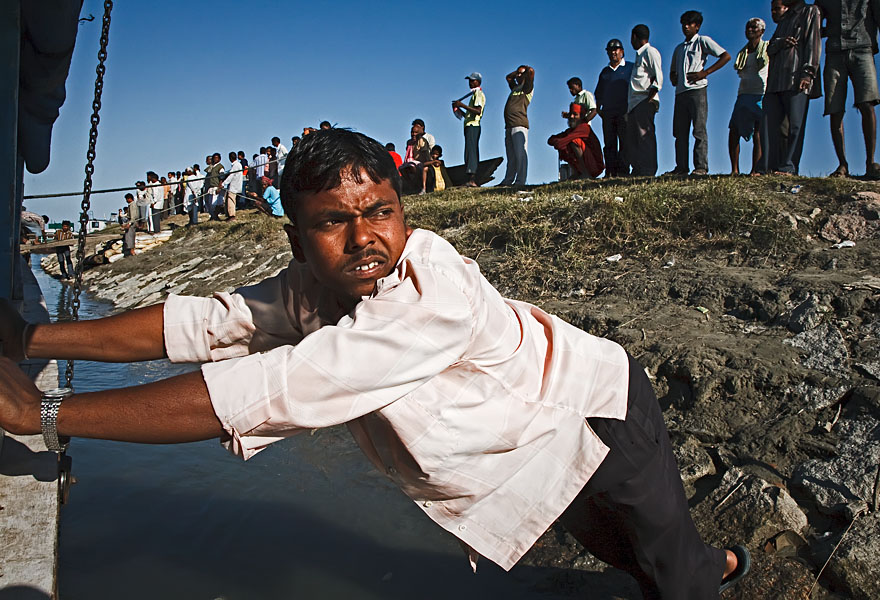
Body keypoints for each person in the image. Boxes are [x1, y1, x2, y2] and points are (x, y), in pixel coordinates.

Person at [0, 129, 749, 599]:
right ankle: (699, 558)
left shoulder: (430, 295)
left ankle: (704, 567)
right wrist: (30, 341)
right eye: (333, 221)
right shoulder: (305, 287)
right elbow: (204, 323)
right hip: (523, 446)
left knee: (671, 582)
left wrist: (43, 415)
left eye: (381, 212)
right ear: (298, 241)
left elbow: (274, 387)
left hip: (595, 416)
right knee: (625, 555)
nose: (364, 238)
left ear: (403, 211)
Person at [816, 0, 880, 179]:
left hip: (862, 49)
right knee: (834, 109)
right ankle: (842, 164)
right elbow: (816, 20)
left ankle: (870, 162)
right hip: (835, 52)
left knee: (867, 103)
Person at [665, 11, 731, 176]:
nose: (686, 27)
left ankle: (701, 167)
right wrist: (674, 77)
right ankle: (681, 167)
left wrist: (705, 72)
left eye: (690, 24)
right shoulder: (679, 48)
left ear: (697, 26)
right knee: (679, 132)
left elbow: (725, 56)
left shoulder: (702, 41)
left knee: (699, 130)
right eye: (684, 24)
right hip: (681, 93)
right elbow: (673, 70)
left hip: (697, 91)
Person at [762, 0, 822, 175]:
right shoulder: (785, 18)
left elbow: (813, 43)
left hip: (796, 78)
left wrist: (808, 73)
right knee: (770, 126)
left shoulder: (810, 12)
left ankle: (789, 167)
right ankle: (769, 166)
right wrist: (780, 43)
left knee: (795, 126)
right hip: (775, 81)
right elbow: (770, 48)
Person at [728, 18, 769, 175]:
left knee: (758, 131)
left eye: (753, 27)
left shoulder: (766, 48)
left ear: (761, 31)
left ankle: (755, 169)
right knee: (734, 130)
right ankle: (735, 169)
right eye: (747, 28)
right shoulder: (743, 53)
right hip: (743, 93)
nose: (749, 30)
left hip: (760, 93)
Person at [627, 24, 665, 177]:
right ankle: (638, 169)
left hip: (643, 99)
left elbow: (658, 77)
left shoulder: (650, 52)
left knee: (645, 136)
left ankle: (648, 170)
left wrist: (649, 98)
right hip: (635, 103)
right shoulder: (639, 55)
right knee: (634, 138)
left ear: (634, 37)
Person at [595, 40, 634, 177]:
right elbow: (598, 92)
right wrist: (599, 108)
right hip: (608, 112)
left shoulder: (630, 68)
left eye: (616, 50)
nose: (613, 53)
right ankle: (611, 171)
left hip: (624, 111)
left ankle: (623, 171)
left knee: (625, 141)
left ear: (622, 51)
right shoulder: (605, 72)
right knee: (609, 142)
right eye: (610, 50)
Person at [548, 86, 605, 180]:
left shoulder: (584, 128)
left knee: (573, 141)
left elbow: (559, 142)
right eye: (570, 114)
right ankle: (577, 173)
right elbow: (550, 140)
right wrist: (557, 142)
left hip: (595, 166)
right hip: (588, 162)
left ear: (581, 116)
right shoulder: (571, 130)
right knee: (565, 143)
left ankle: (586, 174)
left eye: (575, 114)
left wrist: (558, 142)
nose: (571, 116)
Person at [498, 65, 534, 188]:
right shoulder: (515, 88)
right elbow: (508, 77)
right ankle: (508, 180)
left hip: (519, 124)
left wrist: (526, 72)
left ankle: (520, 181)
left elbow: (531, 73)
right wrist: (518, 72)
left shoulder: (527, 88)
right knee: (511, 156)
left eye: (520, 74)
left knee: (520, 155)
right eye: (517, 74)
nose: (518, 76)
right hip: (509, 125)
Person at [451, 72, 486, 187]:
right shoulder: (473, 94)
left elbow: (477, 111)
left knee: (471, 152)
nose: (470, 83)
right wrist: (459, 109)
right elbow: (469, 115)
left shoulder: (479, 94)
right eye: (469, 81)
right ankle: (470, 178)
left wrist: (462, 105)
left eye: (473, 81)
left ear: (478, 82)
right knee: (468, 151)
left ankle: (473, 179)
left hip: (473, 126)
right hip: (469, 125)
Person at [223, 151, 243, 221]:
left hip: (234, 186)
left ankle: (232, 216)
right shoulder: (237, 165)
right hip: (234, 186)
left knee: (230, 201)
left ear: (230, 158)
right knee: (228, 200)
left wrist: (223, 183)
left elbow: (231, 176)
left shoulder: (236, 165)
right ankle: (229, 215)